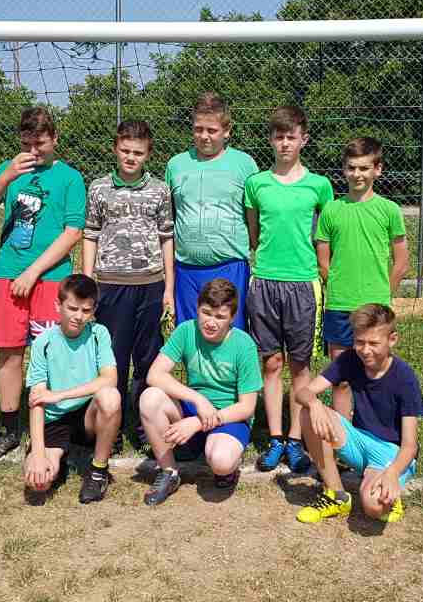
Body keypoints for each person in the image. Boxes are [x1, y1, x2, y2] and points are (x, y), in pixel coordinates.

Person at [0, 107, 87, 462]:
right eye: (26, 144)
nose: (33, 151)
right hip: (8, 274)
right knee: (9, 351)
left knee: (51, 352)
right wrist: (5, 177)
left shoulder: (70, 178)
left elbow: (73, 232)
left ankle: (56, 426)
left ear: (54, 139)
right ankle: (8, 427)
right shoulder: (10, 170)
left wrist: (34, 272)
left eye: (40, 144)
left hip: (49, 278)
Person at [244, 106, 334, 474]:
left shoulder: (319, 186)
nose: (284, 143)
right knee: (271, 363)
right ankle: (276, 438)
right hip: (265, 280)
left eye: (291, 137)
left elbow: (326, 234)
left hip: (303, 283)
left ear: (303, 140)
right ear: (271, 140)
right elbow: (254, 234)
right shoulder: (256, 185)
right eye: (279, 137)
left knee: (300, 364)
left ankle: (296, 439)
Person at [82, 119, 175, 448]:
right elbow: (90, 234)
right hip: (111, 284)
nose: (131, 157)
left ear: (148, 154)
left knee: (148, 358)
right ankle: (114, 426)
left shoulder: (160, 190)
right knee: (115, 359)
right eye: (125, 151)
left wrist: (168, 288)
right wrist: (88, 283)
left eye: (138, 152)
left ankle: (146, 426)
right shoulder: (99, 188)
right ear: (115, 149)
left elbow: (166, 238)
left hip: (150, 284)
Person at [294, 303, 423, 524]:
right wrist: (314, 405)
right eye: (359, 342)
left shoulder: (405, 378)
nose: (365, 350)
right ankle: (336, 496)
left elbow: (410, 445)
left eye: (374, 343)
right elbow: (303, 393)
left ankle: (389, 492)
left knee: (373, 506)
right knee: (308, 411)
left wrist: (392, 473)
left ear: (392, 340)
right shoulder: (350, 359)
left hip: (391, 453)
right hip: (359, 441)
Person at [138, 278, 261, 506]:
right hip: (194, 408)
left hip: (228, 415)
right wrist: (197, 399)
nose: (211, 322)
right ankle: (169, 472)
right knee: (150, 397)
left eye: (220, 317)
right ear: (197, 308)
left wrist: (197, 423)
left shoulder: (244, 344)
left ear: (233, 317)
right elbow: (154, 374)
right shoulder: (186, 330)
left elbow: (247, 407)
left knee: (221, 461)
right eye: (206, 313)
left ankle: (225, 465)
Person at [315, 137, 409, 418]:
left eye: (364, 168)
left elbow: (401, 262)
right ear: (344, 169)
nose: (357, 174)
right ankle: (344, 438)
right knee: (341, 378)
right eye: (351, 168)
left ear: (377, 169)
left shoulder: (389, 210)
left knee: (376, 375)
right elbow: (323, 261)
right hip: (339, 305)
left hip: (374, 306)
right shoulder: (332, 210)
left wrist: (382, 296)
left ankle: (377, 432)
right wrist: (339, 286)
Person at [22, 274, 122, 504]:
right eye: (72, 308)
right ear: (58, 305)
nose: (78, 316)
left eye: (86, 310)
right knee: (38, 481)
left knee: (110, 396)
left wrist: (60, 395)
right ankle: (62, 454)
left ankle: (98, 471)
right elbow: (37, 400)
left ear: (94, 310)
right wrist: (38, 453)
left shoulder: (99, 334)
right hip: (55, 421)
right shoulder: (43, 342)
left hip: (87, 417)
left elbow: (110, 379)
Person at [164, 92, 258, 331]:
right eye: (198, 129)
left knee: (229, 337)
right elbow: (168, 219)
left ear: (227, 131)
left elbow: (255, 217)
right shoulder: (176, 165)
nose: (204, 136)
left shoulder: (244, 164)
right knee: (190, 337)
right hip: (186, 270)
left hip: (230, 267)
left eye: (212, 130)